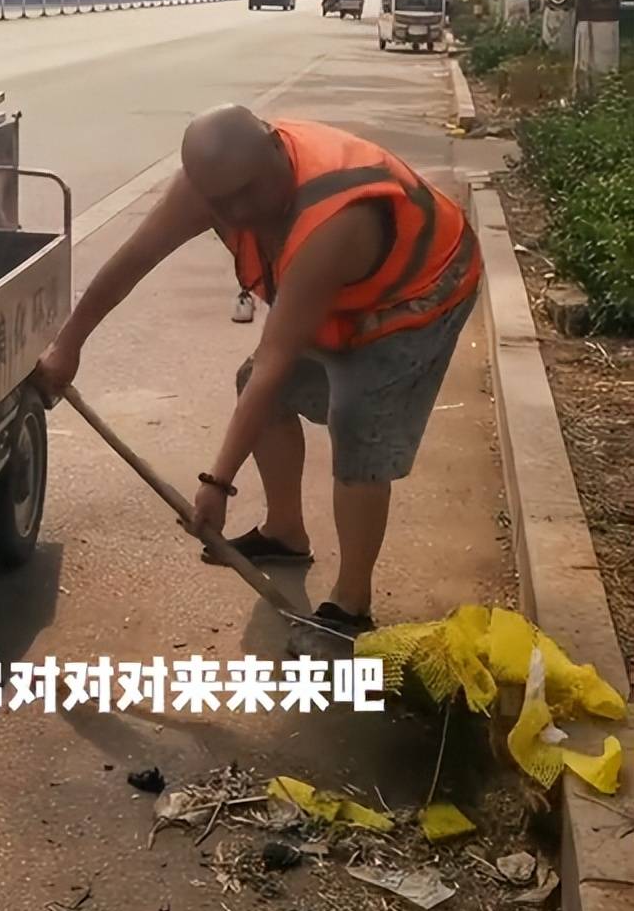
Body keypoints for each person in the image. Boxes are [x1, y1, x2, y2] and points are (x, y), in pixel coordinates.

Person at [35, 105, 482, 636]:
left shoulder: (334, 219)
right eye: (225, 203)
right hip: (341, 298)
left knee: (360, 422)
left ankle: (351, 605)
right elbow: (134, 258)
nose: (241, 210)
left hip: (421, 290)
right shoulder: (211, 186)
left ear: (275, 147)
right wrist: (68, 346)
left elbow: (277, 358)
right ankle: (286, 533)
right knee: (256, 390)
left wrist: (217, 484)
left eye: (250, 191)